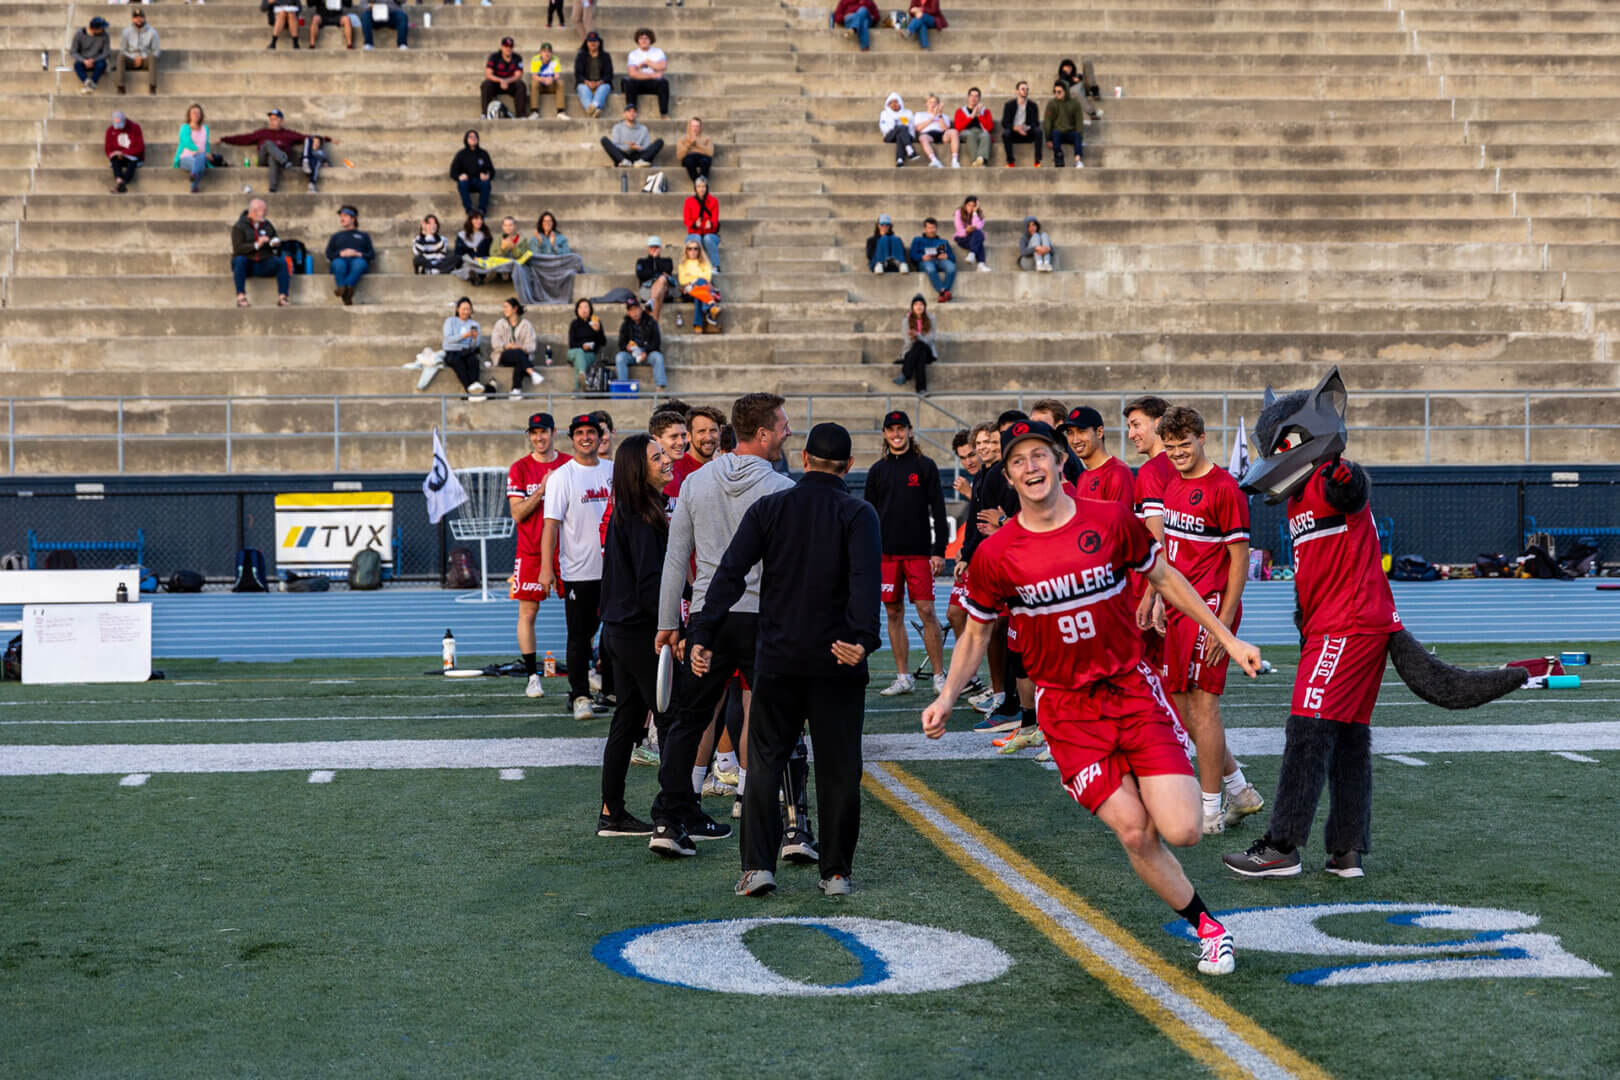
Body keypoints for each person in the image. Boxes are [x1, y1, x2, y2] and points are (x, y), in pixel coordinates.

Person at [923, 419, 1260, 975]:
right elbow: (977, 634)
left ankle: (1156, 782)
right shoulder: (997, 554)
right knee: (1135, 830)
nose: (1031, 467)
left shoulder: (1109, 521)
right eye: (1018, 461)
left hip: (1131, 692)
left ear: (1059, 462)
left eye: (1039, 456)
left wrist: (1227, 635)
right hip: (1068, 712)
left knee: (1182, 830)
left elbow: (1167, 579)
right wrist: (946, 696)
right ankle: (1209, 928)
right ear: (1007, 476)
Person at [690, 422, 881, 897]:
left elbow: (729, 573)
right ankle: (835, 872)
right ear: (849, 466)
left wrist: (704, 630)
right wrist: (863, 639)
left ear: (803, 460)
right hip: (837, 658)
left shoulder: (771, 506)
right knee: (839, 769)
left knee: (765, 763)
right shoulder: (859, 513)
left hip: (778, 656)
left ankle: (758, 866)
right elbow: (865, 581)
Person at [650, 393, 796, 856]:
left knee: (689, 720)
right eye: (783, 425)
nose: (788, 432)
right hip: (762, 617)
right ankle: (773, 816)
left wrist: (669, 621)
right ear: (763, 433)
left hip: (709, 617)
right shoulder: (780, 487)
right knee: (771, 716)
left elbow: (676, 558)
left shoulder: (696, 481)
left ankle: (669, 820)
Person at [1155, 406, 1262, 836]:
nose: (1178, 452)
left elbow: (1239, 562)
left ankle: (1210, 809)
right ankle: (1240, 790)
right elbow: (1173, 556)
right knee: (1183, 712)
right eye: (1171, 446)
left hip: (1212, 609)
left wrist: (1224, 622)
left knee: (1204, 709)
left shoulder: (1224, 489)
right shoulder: (1171, 484)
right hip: (1180, 611)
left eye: (1185, 443)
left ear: (1202, 438)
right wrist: (1161, 600)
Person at [597, 432, 676, 836]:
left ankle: (612, 813)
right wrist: (670, 628)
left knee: (627, 721)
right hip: (637, 631)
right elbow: (651, 582)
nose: (666, 459)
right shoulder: (642, 515)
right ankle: (674, 816)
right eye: (656, 456)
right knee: (671, 719)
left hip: (618, 629)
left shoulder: (633, 510)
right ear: (636, 469)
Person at [866, 409, 950, 697]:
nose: (897, 434)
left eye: (901, 429)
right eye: (891, 429)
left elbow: (939, 510)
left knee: (926, 611)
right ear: (885, 434)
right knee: (893, 612)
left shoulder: (925, 466)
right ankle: (904, 677)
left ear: (910, 431)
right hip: (886, 554)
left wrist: (938, 551)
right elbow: (868, 514)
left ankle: (939, 675)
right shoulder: (877, 470)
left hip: (918, 552)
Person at [539, 413, 617, 720]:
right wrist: (547, 569)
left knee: (613, 633)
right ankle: (579, 694)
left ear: (601, 437)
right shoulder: (562, 477)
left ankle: (610, 689)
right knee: (579, 635)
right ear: (572, 439)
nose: (586, 437)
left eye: (592, 432)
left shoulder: (614, 471)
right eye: (580, 433)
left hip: (613, 570)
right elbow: (550, 527)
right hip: (579, 571)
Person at [507, 412, 569, 697]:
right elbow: (518, 513)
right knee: (528, 612)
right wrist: (544, 489)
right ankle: (532, 675)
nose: (539, 437)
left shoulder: (568, 464)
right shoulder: (520, 468)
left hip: (568, 549)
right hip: (531, 550)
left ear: (553, 432)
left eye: (543, 432)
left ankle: (588, 669)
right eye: (533, 433)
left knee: (581, 611)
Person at [1126, 394, 1175, 667]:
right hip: (1182, 586)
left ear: (1159, 423)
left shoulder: (1152, 471)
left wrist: (1153, 596)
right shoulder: (1182, 466)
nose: (1131, 434)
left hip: (1154, 587)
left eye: (1136, 425)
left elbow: (1158, 540)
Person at [220, 109, 335, 195]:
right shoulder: (262, 132)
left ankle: (272, 189)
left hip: (276, 160)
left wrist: (327, 139)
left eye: (275, 119)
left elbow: (307, 137)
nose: (272, 121)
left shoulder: (288, 134)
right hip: (263, 160)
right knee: (268, 144)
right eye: (270, 119)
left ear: (281, 121)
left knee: (273, 157)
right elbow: (244, 138)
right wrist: (223, 139)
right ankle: (284, 162)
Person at [1058, 405, 1133, 506]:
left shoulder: (1117, 473)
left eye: (1081, 431)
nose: (1075, 440)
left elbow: (1120, 521)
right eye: (1070, 433)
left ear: (1099, 432)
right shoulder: (1083, 477)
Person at [230, 199, 291, 309]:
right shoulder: (239, 227)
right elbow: (238, 248)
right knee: (239, 260)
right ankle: (241, 296)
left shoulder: (267, 224)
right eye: (263, 210)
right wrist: (256, 244)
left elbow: (274, 237)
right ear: (254, 211)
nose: (265, 213)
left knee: (281, 263)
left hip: (264, 262)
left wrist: (274, 243)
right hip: (247, 264)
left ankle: (283, 297)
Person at [325, 205, 374, 306]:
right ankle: (346, 290)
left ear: (353, 218)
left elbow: (371, 254)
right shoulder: (336, 236)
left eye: (345, 216)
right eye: (341, 216)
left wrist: (358, 254)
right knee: (339, 264)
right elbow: (329, 254)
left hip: (358, 260)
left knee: (359, 264)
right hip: (340, 260)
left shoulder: (363, 236)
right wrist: (340, 254)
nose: (342, 218)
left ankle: (344, 288)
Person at [492, 298, 540, 395]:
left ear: (515, 309)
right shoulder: (500, 323)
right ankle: (531, 371)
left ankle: (516, 390)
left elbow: (532, 345)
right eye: (504, 307)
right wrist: (507, 346)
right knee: (520, 355)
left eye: (506, 307)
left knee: (520, 357)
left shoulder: (526, 325)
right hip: (503, 355)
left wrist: (522, 348)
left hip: (521, 355)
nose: (504, 309)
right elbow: (495, 343)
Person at [615, 297, 667, 388]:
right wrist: (626, 347)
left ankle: (660, 388)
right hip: (633, 354)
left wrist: (646, 352)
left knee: (658, 357)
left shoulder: (650, 321)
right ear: (628, 313)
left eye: (636, 309)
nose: (634, 312)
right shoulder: (625, 324)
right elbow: (621, 343)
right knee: (620, 357)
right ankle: (623, 387)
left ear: (641, 309)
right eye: (631, 310)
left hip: (648, 353)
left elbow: (656, 342)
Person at [673, 404, 723, 491]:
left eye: (713, 431)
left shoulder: (724, 468)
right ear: (688, 436)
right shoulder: (676, 470)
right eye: (701, 431)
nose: (708, 437)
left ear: (720, 433)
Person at [676, 238, 720, 336]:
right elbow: (682, 280)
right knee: (700, 282)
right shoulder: (682, 265)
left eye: (696, 249)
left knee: (699, 292)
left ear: (699, 251)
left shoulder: (704, 263)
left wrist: (691, 277)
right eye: (690, 249)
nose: (693, 251)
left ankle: (698, 324)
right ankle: (709, 305)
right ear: (686, 250)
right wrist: (698, 277)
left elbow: (707, 277)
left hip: (697, 290)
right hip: (688, 291)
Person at [623, 28, 670, 117]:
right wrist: (654, 73)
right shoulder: (633, 54)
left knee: (663, 83)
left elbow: (663, 66)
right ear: (638, 40)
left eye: (646, 38)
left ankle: (664, 113)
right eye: (641, 38)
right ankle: (630, 113)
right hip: (639, 83)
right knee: (629, 83)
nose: (644, 40)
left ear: (650, 40)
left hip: (654, 84)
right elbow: (632, 73)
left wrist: (648, 63)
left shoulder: (658, 52)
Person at [440, 297, 484, 393]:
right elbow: (448, 339)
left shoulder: (474, 324)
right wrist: (464, 336)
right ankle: (470, 390)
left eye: (468, 309)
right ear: (457, 309)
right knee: (458, 362)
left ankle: (474, 386)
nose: (466, 312)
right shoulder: (450, 321)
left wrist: (475, 339)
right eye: (464, 309)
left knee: (473, 361)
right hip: (452, 351)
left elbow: (473, 346)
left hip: (466, 351)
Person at [894, 294, 935, 391]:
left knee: (920, 344)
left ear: (924, 307)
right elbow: (908, 342)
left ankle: (905, 374)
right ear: (912, 307)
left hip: (928, 350)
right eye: (916, 304)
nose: (919, 306)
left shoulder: (931, 319)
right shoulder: (906, 321)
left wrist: (917, 336)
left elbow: (930, 339)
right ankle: (921, 389)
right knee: (920, 355)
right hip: (913, 351)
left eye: (921, 304)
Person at [908, 217, 956, 301]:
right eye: (929, 228)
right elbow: (912, 255)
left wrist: (947, 256)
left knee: (951, 267)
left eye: (933, 227)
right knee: (930, 269)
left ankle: (943, 294)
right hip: (926, 262)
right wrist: (921, 257)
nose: (931, 230)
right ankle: (943, 291)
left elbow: (953, 258)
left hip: (941, 261)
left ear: (936, 228)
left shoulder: (943, 241)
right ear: (925, 229)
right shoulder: (918, 240)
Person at [482, 37, 528, 119]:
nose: (508, 49)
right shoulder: (494, 57)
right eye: (506, 46)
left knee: (521, 85)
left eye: (510, 47)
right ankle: (485, 114)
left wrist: (506, 81)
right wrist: (501, 80)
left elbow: (518, 75)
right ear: (502, 47)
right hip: (496, 83)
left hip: (510, 83)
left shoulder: (517, 58)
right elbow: (488, 74)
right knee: (486, 85)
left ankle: (521, 115)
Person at [450, 130, 495, 215]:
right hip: (467, 182)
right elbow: (453, 172)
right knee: (462, 183)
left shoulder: (483, 153)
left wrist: (487, 175)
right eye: (470, 137)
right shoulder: (461, 154)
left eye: (475, 137)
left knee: (486, 183)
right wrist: (459, 176)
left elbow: (492, 171)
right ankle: (469, 210)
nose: (473, 139)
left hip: (479, 181)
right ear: (466, 139)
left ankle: (482, 210)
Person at [116, 8, 159, 96]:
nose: (138, 19)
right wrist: (133, 57)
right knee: (121, 57)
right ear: (132, 19)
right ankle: (121, 87)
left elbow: (156, 51)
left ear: (144, 18)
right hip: (131, 59)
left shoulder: (152, 32)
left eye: (141, 17)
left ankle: (152, 87)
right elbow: (122, 50)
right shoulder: (126, 32)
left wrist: (142, 58)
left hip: (145, 60)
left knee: (152, 57)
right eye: (136, 17)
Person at [567, 297, 607, 391]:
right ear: (577, 310)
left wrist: (597, 331)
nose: (583, 310)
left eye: (586, 307)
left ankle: (577, 388)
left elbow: (603, 342)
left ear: (590, 309)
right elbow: (572, 343)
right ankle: (582, 377)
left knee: (580, 360)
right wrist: (582, 346)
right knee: (579, 352)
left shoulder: (596, 322)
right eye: (580, 307)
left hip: (590, 354)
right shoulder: (574, 324)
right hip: (573, 352)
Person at [634, 235, 677, 320]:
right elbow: (641, 275)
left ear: (660, 248)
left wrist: (656, 260)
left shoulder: (667, 260)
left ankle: (652, 302)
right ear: (648, 248)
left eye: (656, 247)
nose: (653, 249)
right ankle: (655, 322)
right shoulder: (641, 261)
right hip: (647, 290)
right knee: (662, 280)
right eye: (651, 247)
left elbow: (668, 270)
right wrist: (659, 272)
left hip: (666, 292)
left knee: (662, 280)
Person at [682, 176, 721, 270]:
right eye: (699, 186)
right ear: (695, 188)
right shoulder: (689, 201)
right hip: (694, 232)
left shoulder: (713, 201)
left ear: (707, 187)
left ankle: (716, 266)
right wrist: (695, 224)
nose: (701, 189)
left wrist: (710, 224)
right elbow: (686, 220)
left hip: (710, 233)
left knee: (708, 239)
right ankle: (696, 266)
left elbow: (715, 220)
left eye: (704, 186)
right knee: (696, 240)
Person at [1001, 81, 1043, 167]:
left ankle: (1037, 161)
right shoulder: (1009, 105)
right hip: (1014, 133)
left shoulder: (1033, 105)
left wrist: (1026, 127)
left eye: (1027, 89)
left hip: (1027, 132)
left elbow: (1036, 123)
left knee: (1038, 131)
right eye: (1022, 89)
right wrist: (1015, 128)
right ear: (1017, 91)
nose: (1025, 91)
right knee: (1006, 133)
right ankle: (1010, 162)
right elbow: (1005, 122)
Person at [1045, 80, 1085, 168]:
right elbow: (1048, 121)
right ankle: (1059, 158)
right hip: (1058, 133)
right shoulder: (1052, 104)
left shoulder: (1074, 103)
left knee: (1077, 135)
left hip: (1070, 132)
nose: (1056, 94)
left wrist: (1080, 136)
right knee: (1055, 133)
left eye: (1059, 92)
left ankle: (1078, 161)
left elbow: (1079, 121)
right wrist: (1048, 139)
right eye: (1055, 92)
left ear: (1065, 91)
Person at [574, 32, 614, 118]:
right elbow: (578, 74)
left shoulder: (605, 56)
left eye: (595, 41)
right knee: (582, 88)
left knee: (605, 87)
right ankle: (595, 109)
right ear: (587, 43)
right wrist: (587, 82)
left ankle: (592, 107)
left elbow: (609, 74)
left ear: (599, 43)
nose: (593, 43)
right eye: (590, 41)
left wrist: (600, 82)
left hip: (601, 84)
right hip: (585, 84)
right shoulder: (581, 56)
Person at [174, 102, 210, 193]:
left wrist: (208, 154)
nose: (196, 115)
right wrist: (197, 150)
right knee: (200, 165)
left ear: (201, 115)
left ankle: (193, 175)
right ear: (189, 115)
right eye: (193, 112)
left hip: (201, 157)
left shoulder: (205, 128)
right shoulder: (185, 127)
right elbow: (187, 142)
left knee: (201, 158)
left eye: (198, 113)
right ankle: (194, 186)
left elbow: (206, 144)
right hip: (186, 157)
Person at [105, 111, 144, 194]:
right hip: (118, 157)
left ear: (125, 120)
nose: (119, 128)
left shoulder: (135, 128)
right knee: (115, 160)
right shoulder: (110, 130)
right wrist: (113, 154)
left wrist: (123, 152)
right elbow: (108, 149)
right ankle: (120, 182)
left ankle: (122, 183)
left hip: (132, 156)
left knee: (132, 163)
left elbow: (139, 148)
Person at [914, 94, 958, 168]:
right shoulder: (920, 114)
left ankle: (955, 161)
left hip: (942, 134)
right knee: (922, 137)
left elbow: (945, 129)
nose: (933, 104)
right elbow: (918, 128)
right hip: (928, 134)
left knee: (954, 132)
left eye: (935, 102)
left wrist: (939, 115)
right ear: (926, 104)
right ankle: (934, 160)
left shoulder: (944, 116)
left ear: (938, 104)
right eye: (930, 102)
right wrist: (933, 117)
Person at [528, 41, 570, 119]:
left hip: (551, 84)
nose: (547, 54)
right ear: (540, 53)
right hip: (540, 85)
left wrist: (551, 79)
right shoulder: (535, 59)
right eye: (544, 52)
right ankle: (534, 111)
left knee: (560, 83)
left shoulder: (555, 59)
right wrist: (543, 79)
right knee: (534, 83)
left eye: (549, 52)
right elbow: (534, 76)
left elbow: (557, 75)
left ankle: (560, 111)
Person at [952, 86, 993, 166]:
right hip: (965, 132)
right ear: (968, 97)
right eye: (971, 96)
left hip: (980, 132)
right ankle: (974, 160)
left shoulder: (985, 111)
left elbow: (989, 128)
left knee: (986, 135)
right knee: (971, 135)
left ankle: (981, 159)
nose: (973, 98)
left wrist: (979, 115)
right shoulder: (960, 111)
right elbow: (958, 128)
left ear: (979, 98)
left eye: (976, 96)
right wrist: (971, 116)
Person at [1057, 56, 1104, 124]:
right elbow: (1062, 85)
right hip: (1077, 91)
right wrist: (1073, 81)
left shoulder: (1077, 75)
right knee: (1076, 89)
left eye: (1070, 67)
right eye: (1066, 67)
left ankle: (1094, 90)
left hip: (1086, 88)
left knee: (1087, 62)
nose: (1068, 68)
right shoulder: (1062, 78)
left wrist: (1079, 78)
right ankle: (1092, 113)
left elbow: (1085, 78)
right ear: (1062, 68)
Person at [71, 17, 111, 93]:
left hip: (97, 60)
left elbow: (106, 53)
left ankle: (91, 83)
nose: (103, 30)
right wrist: (84, 60)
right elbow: (73, 52)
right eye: (101, 28)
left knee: (102, 64)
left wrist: (94, 60)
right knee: (77, 65)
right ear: (94, 29)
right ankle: (87, 82)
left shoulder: (105, 35)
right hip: (83, 60)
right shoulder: (79, 34)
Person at [879, 92, 916, 167]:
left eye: (896, 102)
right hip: (890, 135)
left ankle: (900, 160)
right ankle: (909, 149)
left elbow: (910, 126)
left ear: (900, 102)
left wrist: (900, 123)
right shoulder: (884, 113)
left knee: (900, 135)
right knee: (900, 128)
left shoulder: (907, 112)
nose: (894, 104)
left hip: (907, 136)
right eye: (891, 103)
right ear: (888, 104)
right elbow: (884, 128)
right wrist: (896, 125)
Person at [953, 195, 990, 270]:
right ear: (965, 205)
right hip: (961, 238)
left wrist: (974, 213)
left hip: (973, 238)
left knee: (978, 233)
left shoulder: (979, 215)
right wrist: (966, 230)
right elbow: (959, 230)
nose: (971, 207)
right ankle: (980, 264)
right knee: (979, 239)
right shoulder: (959, 212)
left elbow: (977, 227)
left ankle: (972, 254)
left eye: (974, 206)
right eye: (969, 205)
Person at [455, 211, 492, 284]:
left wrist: (478, 257)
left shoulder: (486, 236)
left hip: (481, 262)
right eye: (476, 218)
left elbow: (488, 252)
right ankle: (474, 277)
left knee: (484, 266)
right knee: (467, 266)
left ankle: (483, 277)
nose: (479, 221)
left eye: (481, 219)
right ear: (470, 220)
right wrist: (472, 255)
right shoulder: (462, 235)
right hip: (467, 261)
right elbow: (458, 252)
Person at [675, 116, 714, 183]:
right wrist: (689, 144)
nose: (695, 129)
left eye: (697, 126)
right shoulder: (682, 139)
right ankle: (697, 182)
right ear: (689, 127)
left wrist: (697, 143)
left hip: (703, 158)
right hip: (689, 158)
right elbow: (679, 156)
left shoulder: (707, 139)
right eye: (693, 126)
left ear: (700, 128)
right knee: (689, 161)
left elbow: (710, 153)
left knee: (705, 161)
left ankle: (702, 181)